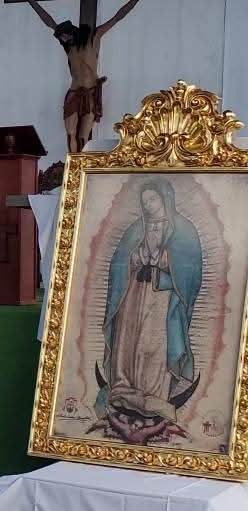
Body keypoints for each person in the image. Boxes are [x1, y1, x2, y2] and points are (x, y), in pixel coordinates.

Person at [92, 180, 201, 445]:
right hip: (132, 295)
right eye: (145, 201)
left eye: (152, 200)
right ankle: (124, 389)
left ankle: (154, 396)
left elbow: (192, 269)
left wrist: (165, 260)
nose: (148, 205)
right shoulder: (136, 228)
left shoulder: (184, 230)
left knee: (154, 345)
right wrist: (134, 258)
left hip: (162, 298)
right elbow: (118, 262)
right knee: (128, 342)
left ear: (165, 199)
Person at [23, 0, 153, 153]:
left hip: (90, 93)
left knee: (84, 135)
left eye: (64, 35)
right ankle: (72, 164)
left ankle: (83, 165)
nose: (62, 38)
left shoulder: (94, 37)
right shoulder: (68, 46)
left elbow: (118, 17)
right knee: (70, 133)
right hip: (74, 92)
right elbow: (48, 21)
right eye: (61, 37)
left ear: (71, 32)